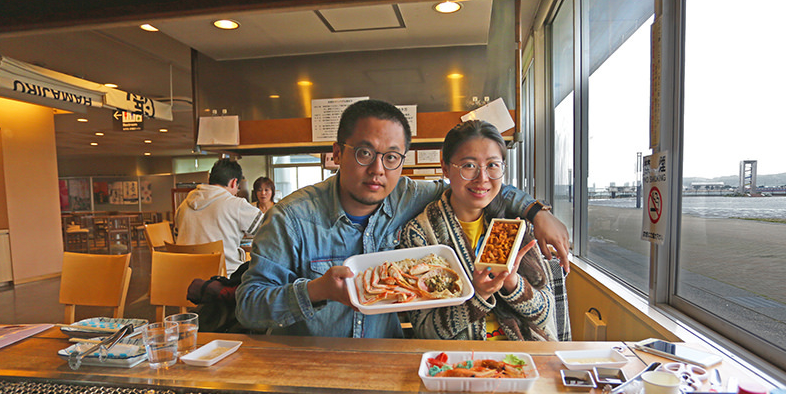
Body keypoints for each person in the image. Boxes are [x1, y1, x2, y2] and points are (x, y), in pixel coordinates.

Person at [235, 99, 569, 338]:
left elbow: (477, 185)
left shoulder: (409, 195)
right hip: (309, 364)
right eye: (365, 153)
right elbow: (248, 306)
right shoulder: (291, 217)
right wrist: (316, 291)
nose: (378, 170)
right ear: (336, 154)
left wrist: (537, 212)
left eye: (392, 157)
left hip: (386, 361)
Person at [401, 120, 557, 341]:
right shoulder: (420, 233)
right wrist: (479, 295)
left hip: (524, 355)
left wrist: (513, 283)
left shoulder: (515, 223)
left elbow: (545, 316)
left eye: (493, 165)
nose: (482, 178)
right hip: (460, 360)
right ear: (445, 168)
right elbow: (425, 331)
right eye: (469, 165)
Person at [174, 159, 262, 276]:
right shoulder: (235, 204)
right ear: (233, 182)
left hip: (185, 277)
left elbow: (176, 235)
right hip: (224, 278)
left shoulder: (183, 205)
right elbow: (271, 228)